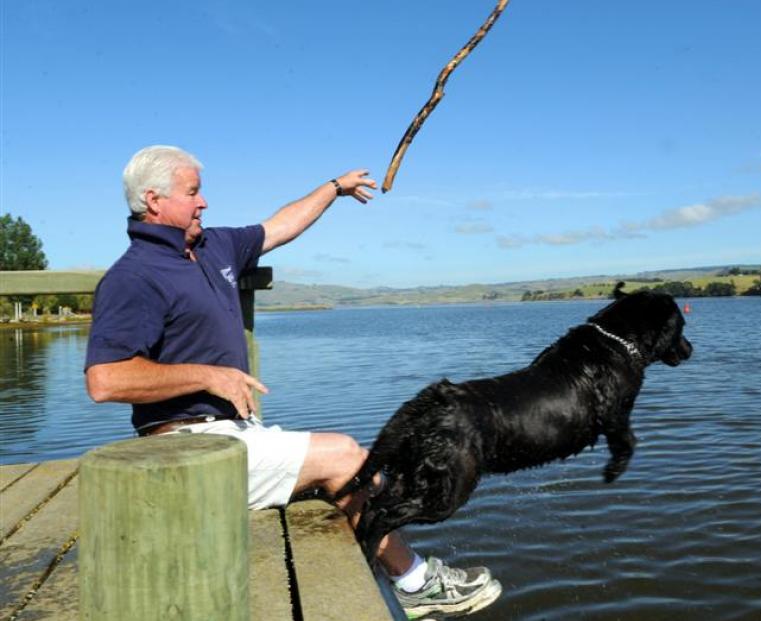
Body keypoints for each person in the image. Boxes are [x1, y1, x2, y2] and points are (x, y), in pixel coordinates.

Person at [84, 145, 502, 619]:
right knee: (345, 456)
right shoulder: (133, 276)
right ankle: (417, 584)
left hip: (234, 436)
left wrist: (334, 189)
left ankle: (396, 565)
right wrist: (208, 375)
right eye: (194, 193)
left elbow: (281, 225)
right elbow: (105, 379)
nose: (204, 203)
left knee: (363, 474)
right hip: (184, 453)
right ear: (154, 201)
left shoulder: (209, 246)